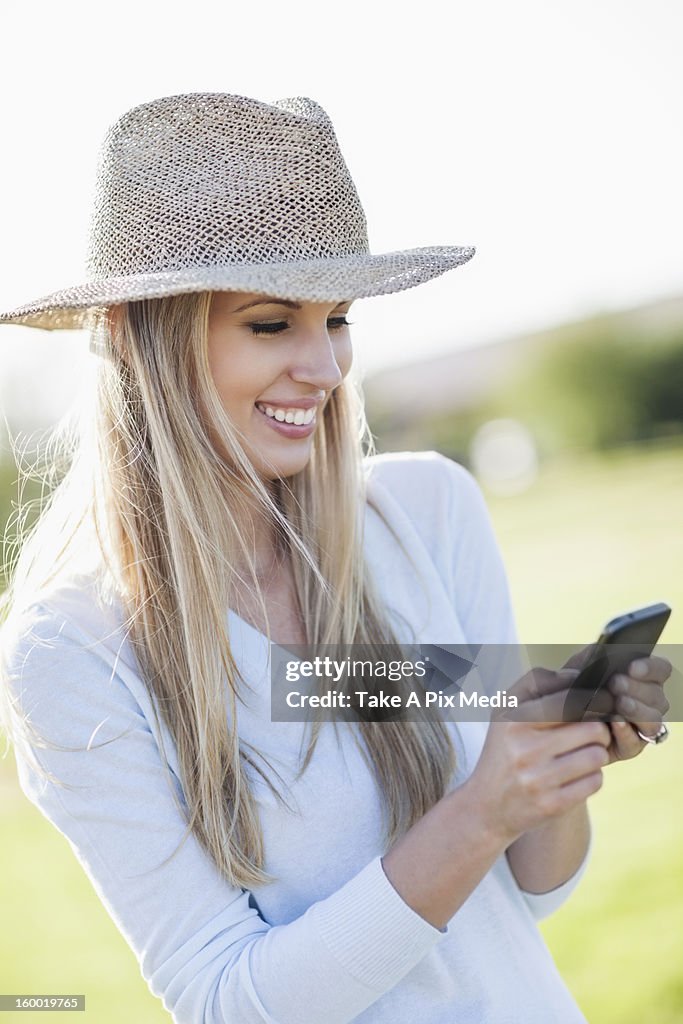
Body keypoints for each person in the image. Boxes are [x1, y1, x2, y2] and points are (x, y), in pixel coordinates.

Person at [0, 92, 672, 1024]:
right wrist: (477, 809)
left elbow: (533, 894)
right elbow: (227, 999)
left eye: (338, 318)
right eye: (271, 324)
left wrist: (549, 762)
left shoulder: (426, 513)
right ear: (132, 337)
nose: (324, 367)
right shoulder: (71, 652)